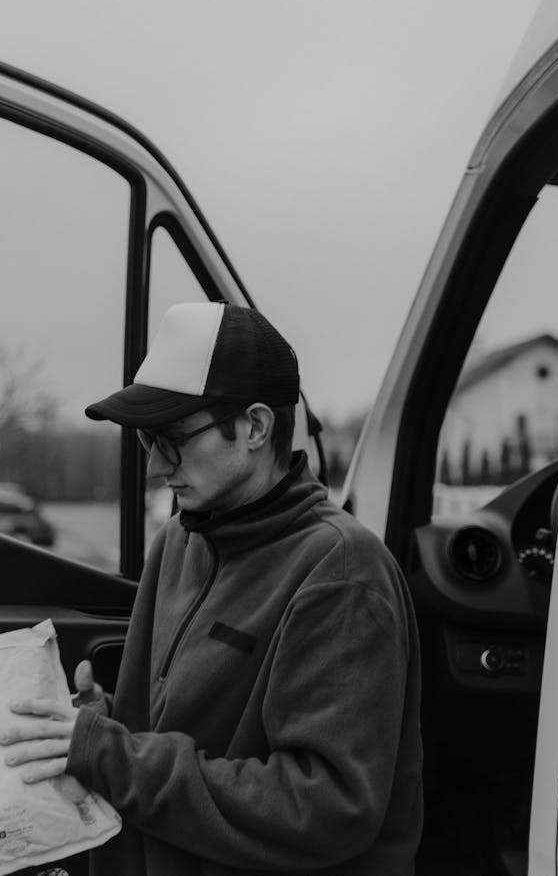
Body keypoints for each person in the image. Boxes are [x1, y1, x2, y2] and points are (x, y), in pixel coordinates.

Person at [1, 301, 423, 875]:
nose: (155, 466)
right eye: (148, 441)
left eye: (173, 437)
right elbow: (153, 743)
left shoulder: (341, 572)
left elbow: (327, 807)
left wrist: (112, 753)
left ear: (255, 426)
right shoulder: (178, 540)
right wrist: (96, 723)